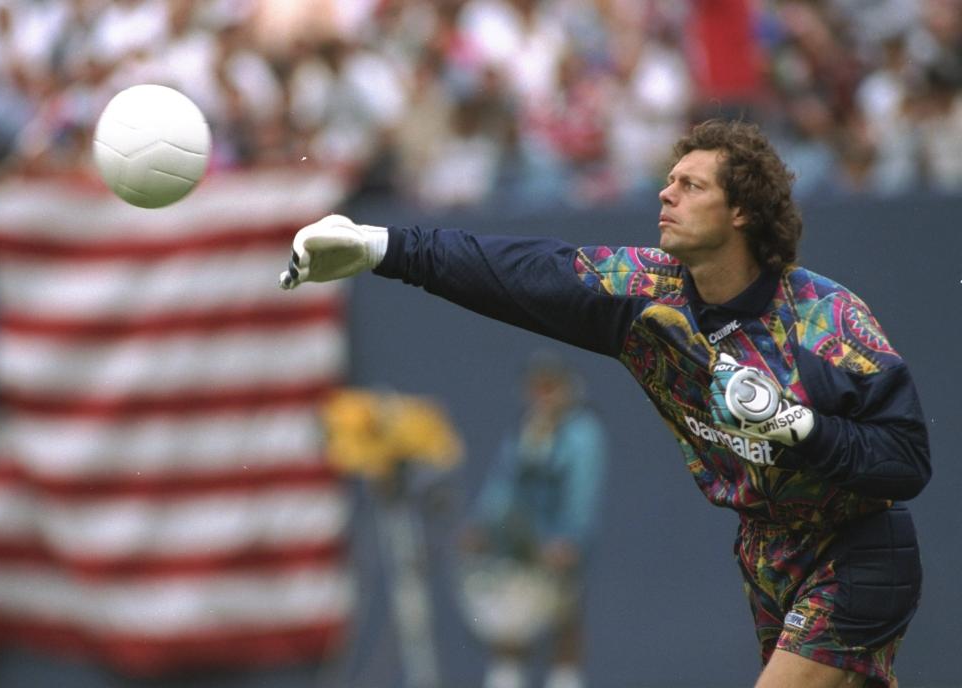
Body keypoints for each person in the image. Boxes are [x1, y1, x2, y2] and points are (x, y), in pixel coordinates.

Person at [278, 119, 931, 688]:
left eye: (691, 185)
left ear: (742, 211)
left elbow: (907, 460)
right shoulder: (647, 293)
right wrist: (379, 246)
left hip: (854, 552)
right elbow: (517, 273)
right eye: (669, 180)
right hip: (767, 555)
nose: (666, 193)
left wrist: (798, 426)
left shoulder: (825, 319)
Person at [459, 352, 606, 688]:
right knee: (508, 622)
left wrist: (570, 539)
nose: (542, 395)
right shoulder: (525, 429)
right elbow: (502, 484)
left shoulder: (584, 433)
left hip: (558, 542)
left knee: (564, 622)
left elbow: (583, 492)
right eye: (536, 387)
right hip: (516, 541)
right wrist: (482, 525)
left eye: (549, 387)